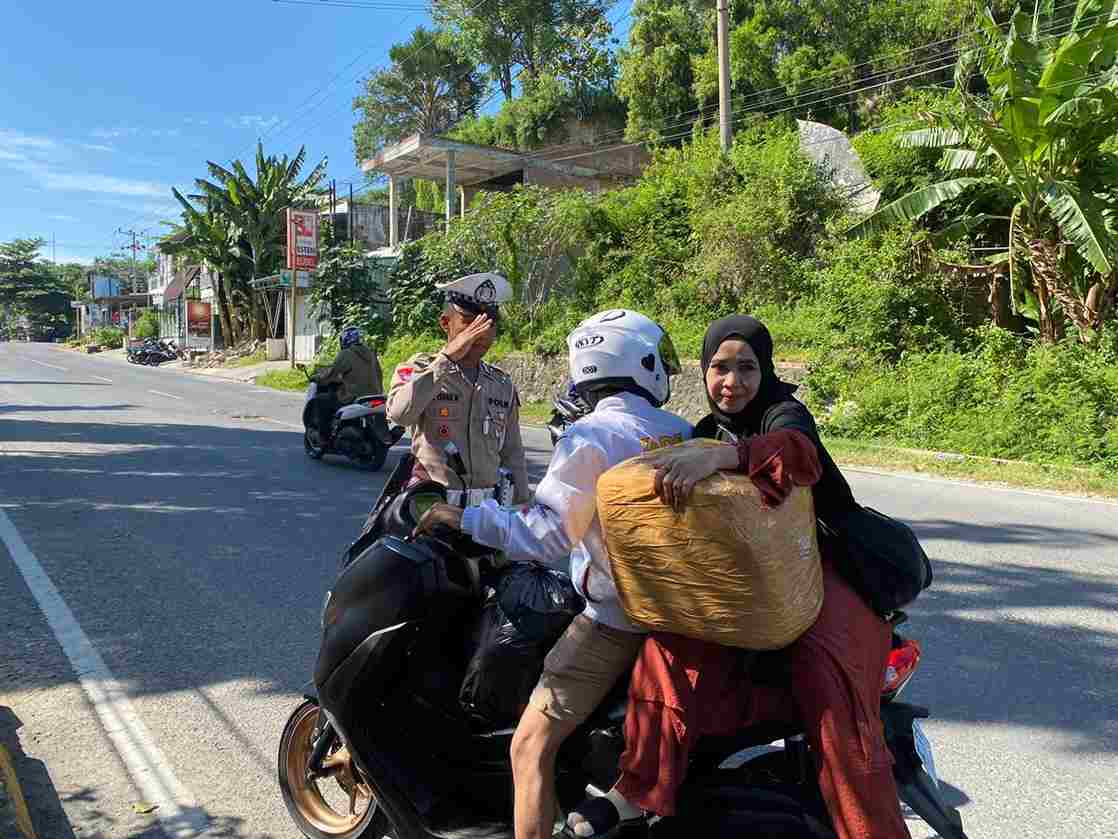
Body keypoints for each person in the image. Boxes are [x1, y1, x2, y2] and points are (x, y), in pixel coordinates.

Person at [565, 314, 911, 839]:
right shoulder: (703, 433)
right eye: (720, 368)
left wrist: (729, 457)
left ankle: (871, 830)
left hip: (825, 569)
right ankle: (636, 790)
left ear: (765, 370)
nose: (732, 382)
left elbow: (797, 452)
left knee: (831, 689)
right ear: (703, 371)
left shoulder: (781, 413)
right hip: (750, 582)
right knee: (666, 650)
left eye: (746, 368)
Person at [413, 309, 692, 839]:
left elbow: (547, 536)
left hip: (616, 622)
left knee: (528, 744)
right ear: (639, 362)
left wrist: (465, 518)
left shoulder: (592, 435)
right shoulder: (677, 431)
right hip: (679, 614)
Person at [387, 272, 530, 505]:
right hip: (432, 508)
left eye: (488, 323)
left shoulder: (501, 384)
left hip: (486, 512)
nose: (481, 332)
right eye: (469, 321)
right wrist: (446, 359)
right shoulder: (420, 369)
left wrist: (522, 507)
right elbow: (399, 414)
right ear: (446, 323)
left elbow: (512, 454)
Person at [311, 325, 383, 439]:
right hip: (375, 395)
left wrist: (318, 379)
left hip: (354, 396)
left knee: (321, 401)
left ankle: (324, 437)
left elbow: (332, 374)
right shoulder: (371, 353)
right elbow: (379, 374)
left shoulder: (346, 353)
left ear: (345, 340)